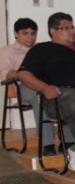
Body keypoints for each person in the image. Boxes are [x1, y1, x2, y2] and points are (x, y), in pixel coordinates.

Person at [17, 12, 75, 174]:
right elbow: (23, 74)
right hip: (61, 98)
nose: (72, 31)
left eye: (72, 27)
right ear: (53, 31)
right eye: (66, 28)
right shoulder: (42, 49)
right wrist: (45, 88)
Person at [0, 18, 69, 156]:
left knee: (66, 95)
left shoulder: (42, 49)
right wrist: (23, 74)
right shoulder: (7, 51)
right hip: (22, 87)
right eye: (25, 33)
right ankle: (47, 143)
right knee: (40, 96)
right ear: (16, 34)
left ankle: (67, 141)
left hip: (46, 84)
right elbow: (4, 73)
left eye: (33, 33)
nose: (30, 37)